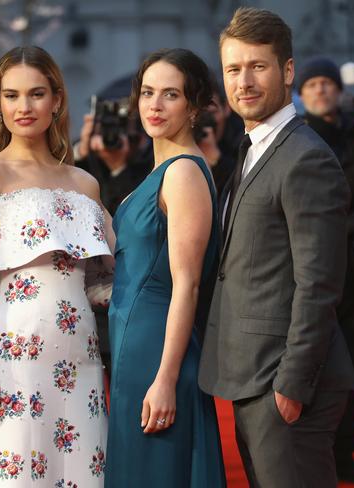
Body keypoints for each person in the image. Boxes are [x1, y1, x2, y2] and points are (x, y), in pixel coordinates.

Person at [198, 8, 354, 487]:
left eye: (257, 66)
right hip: (254, 378)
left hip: (285, 386)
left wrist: (291, 384)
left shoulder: (305, 158)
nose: (243, 81)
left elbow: (320, 284)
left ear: (288, 71)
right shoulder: (253, 147)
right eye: (232, 69)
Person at [0, 46, 113, 487]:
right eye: (12, 95)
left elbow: (101, 286)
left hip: (81, 361)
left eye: (36, 94)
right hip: (14, 366)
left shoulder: (84, 184)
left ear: (56, 100)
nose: (24, 107)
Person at [106, 48, 226, 487]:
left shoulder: (183, 174)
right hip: (132, 342)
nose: (154, 105)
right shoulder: (163, 169)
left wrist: (166, 378)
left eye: (170, 94)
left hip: (156, 349)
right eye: (148, 93)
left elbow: (188, 285)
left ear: (194, 105)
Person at [298, 56, 354, 484]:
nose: (321, 90)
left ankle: (344, 454)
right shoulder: (304, 140)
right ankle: (323, 457)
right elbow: (341, 193)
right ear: (303, 93)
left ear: (340, 90)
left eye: (327, 83)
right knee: (321, 371)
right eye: (312, 84)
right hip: (322, 275)